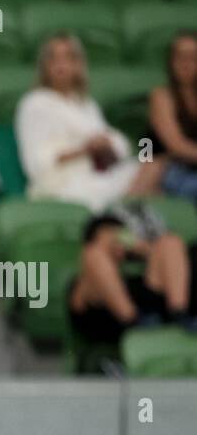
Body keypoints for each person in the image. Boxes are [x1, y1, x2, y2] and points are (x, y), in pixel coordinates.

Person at [15, 34, 155, 213]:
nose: (61, 65)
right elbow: (36, 164)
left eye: (69, 58)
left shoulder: (86, 104)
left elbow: (116, 141)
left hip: (101, 174)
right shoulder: (34, 103)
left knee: (153, 167)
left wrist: (105, 143)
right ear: (45, 65)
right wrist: (84, 149)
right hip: (63, 184)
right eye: (54, 58)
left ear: (79, 64)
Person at [70, 209, 195, 359]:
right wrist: (109, 243)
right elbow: (94, 256)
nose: (118, 238)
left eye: (121, 233)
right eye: (112, 233)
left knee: (170, 242)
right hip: (111, 323)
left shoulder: (133, 278)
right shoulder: (87, 266)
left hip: (152, 317)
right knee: (95, 254)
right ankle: (135, 322)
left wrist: (142, 248)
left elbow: (166, 256)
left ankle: (179, 314)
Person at [148, 31, 197, 203]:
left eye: (192, 58)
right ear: (171, 61)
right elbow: (176, 145)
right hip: (167, 168)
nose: (186, 64)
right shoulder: (161, 96)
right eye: (181, 57)